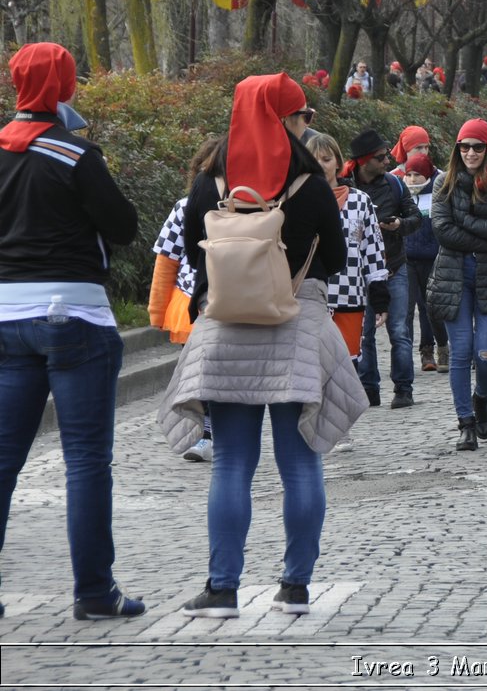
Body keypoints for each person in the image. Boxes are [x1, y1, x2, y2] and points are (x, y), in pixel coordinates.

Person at [160, 73, 363, 619]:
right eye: (300, 117)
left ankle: (222, 589)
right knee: (300, 464)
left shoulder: (211, 182)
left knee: (230, 463)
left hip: (226, 331)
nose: (305, 126)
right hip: (297, 325)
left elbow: (193, 254)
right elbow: (339, 257)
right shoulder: (310, 183)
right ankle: (295, 587)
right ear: (284, 119)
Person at [0, 43, 145, 621]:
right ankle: (93, 592)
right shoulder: (74, 153)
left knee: (4, 459)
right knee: (85, 460)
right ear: (64, 88)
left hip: (6, 317)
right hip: (75, 314)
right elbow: (125, 227)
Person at [428, 120, 487, 452]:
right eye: (464, 146)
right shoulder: (444, 182)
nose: (470, 153)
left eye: (477, 147)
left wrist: (466, 223)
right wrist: (485, 234)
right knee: (460, 352)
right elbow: (441, 229)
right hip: (454, 275)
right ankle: (465, 422)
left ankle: (481, 398)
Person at [304, 132, 388, 454]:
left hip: (351, 296)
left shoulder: (360, 202)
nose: (321, 165)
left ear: (338, 162)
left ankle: (340, 427)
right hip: (311, 296)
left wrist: (379, 295)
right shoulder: (298, 201)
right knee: (315, 364)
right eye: (314, 159)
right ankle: (316, 421)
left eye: (326, 158)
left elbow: (373, 251)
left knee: (345, 364)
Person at [149, 137, 226, 461]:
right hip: (191, 306)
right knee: (198, 375)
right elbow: (167, 262)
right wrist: (157, 311)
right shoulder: (183, 208)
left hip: (227, 303)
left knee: (212, 373)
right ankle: (206, 433)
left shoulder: (242, 206)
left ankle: (211, 432)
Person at [347, 129, 422, 409]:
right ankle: (369, 388)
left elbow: (415, 217)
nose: (388, 161)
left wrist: (399, 225)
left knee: (399, 331)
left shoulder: (394, 184)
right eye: (381, 157)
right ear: (364, 161)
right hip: (359, 272)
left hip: (394, 266)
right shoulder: (345, 188)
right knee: (362, 334)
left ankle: (403, 388)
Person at [402, 154, 444, 373]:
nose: (411, 179)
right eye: (408, 174)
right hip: (407, 260)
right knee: (406, 310)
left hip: (433, 258)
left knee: (431, 309)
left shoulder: (437, 192)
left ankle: (435, 347)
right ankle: (407, 356)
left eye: (416, 174)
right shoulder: (401, 194)